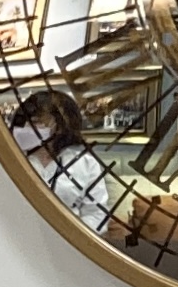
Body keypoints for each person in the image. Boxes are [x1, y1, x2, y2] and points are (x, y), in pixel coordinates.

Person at [7, 91, 113, 235]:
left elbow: (97, 214)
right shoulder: (10, 158)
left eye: (36, 122)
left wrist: (70, 235)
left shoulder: (85, 164)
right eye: (24, 122)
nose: (27, 128)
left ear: (60, 126)